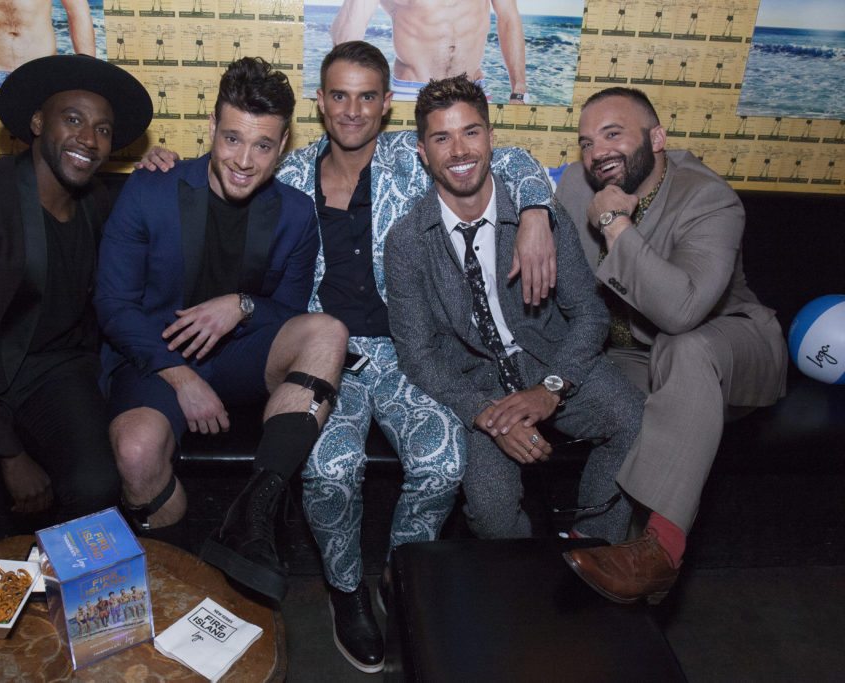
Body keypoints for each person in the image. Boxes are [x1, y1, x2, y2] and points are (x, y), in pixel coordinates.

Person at [138, 41, 555, 673]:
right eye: (339, 95)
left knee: (444, 459)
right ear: (321, 103)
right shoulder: (288, 168)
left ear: (387, 105)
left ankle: (401, 576)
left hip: (410, 353)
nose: (352, 110)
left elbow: (513, 160)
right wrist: (159, 165)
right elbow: (221, 173)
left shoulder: (415, 161)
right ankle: (346, 590)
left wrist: (535, 214)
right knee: (328, 472)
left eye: (367, 96)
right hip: (322, 355)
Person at [95, 56, 348, 604]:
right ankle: (179, 580)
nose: (243, 159)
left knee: (328, 331)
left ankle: (250, 516)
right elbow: (114, 305)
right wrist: (181, 377)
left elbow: (288, 310)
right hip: (156, 356)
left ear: (281, 147)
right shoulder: (151, 190)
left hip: (243, 356)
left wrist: (241, 306)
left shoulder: (296, 213)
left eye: (262, 146)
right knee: (137, 453)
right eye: (232, 138)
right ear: (210, 129)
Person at [0, 54, 153, 591]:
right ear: (38, 124)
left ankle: (71, 621)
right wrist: (10, 454)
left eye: (103, 129)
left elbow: (164, 216)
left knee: (95, 484)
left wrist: (164, 168)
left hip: (54, 373)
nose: (89, 138)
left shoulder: (100, 204)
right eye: (73, 119)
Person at [385, 75, 645, 562]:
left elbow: (588, 313)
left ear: (490, 137)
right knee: (490, 508)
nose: (459, 150)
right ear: (423, 152)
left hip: (548, 359)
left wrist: (551, 386)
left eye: (471, 132)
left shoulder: (536, 213)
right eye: (442, 138)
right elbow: (417, 356)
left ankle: (592, 545)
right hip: (477, 383)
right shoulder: (405, 242)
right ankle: (531, 576)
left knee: (633, 419)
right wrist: (486, 414)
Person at [556, 87, 788, 605]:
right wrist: (531, 218)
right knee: (603, 397)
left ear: (657, 139)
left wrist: (616, 224)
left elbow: (681, 314)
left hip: (729, 346)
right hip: (634, 354)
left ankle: (660, 550)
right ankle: (592, 547)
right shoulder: (576, 184)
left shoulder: (708, 197)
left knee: (686, 350)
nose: (598, 152)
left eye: (614, 134)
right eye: (587, 141)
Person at [331, 0, 527, 102]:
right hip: (412, 93)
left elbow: (509, 18)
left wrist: (518, 91)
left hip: (472, 90)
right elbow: (346, 41)